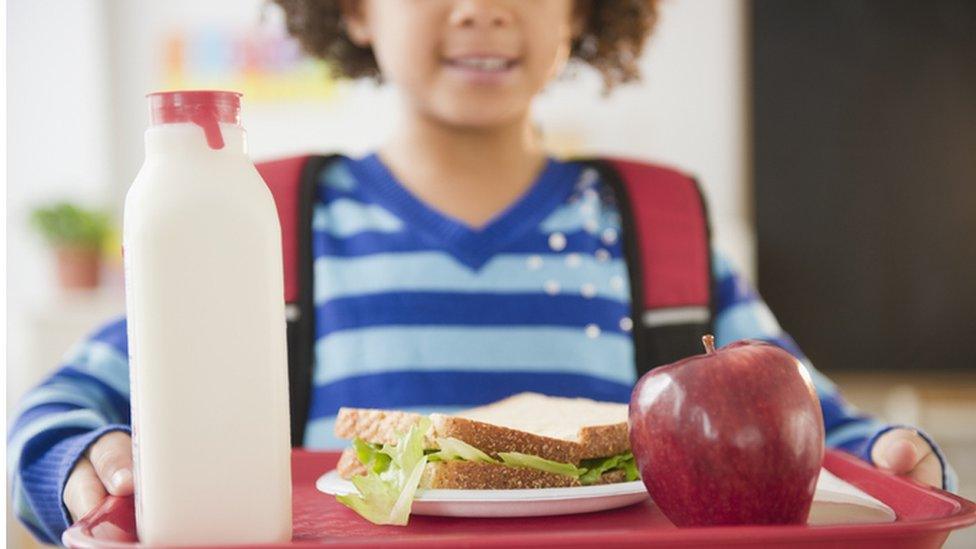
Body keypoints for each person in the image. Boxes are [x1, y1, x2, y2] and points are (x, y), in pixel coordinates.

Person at [8, 0, 956, 543]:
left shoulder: (658, 230)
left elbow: (818, 430)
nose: (484, 5)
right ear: (353, 10)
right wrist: (82, 461)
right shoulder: (266, 222)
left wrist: (887, 457)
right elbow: (64, 403)